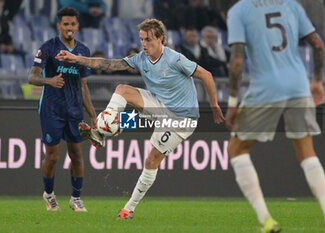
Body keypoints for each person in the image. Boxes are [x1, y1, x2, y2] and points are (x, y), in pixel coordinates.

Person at [56, 18, 225, 219]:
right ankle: (101, 131)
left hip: (182, 118)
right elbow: (108, 64)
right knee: (122, 90)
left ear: (161, 38)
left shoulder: (175, 59)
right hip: (160, 106)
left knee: (151, 159)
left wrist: (214, 106)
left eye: (148, 39)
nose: (144, 44)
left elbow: (207, 75)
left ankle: (129, 208)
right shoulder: (141, 59)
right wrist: (76, 59)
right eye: (141, 39)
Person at [226, 0, 325, 232]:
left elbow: (237, 61)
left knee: (237, 149)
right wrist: (317, 80)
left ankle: (266, 221)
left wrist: (232, 102)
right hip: (298, 85)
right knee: (307, 153)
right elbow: (318, 44)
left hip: (266, 88)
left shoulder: (239, 10)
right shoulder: (291, 4)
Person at [28, 7, 100, 212]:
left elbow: (84, 86)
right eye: (65, 24)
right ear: (59, 25)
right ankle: (49, 195)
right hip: (52, 109)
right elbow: (31, 77)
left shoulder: (83, 51)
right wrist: (48, 80)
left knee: (77, 154)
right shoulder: (48, 47)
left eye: (73, 24)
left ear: (77, 26)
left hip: (75, 111)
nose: (69, 28)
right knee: (52, 156)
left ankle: (76, 198)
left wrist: (93, 114)